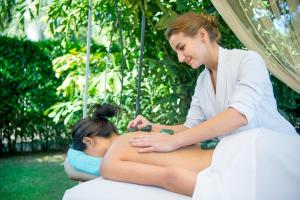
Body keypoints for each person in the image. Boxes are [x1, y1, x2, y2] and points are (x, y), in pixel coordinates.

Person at [128, 12, 297, 153]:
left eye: (181, 47)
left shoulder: (248, 61)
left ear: (203, 35)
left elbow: (238, 116)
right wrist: (153, 126)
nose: (180, 58)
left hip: (278, 152)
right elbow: (190, 128)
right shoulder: (202, 81)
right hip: (240, 155)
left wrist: (174, 142)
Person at [72, 103, 214, 196]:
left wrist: (220, 193)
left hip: (218, 171)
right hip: (225, 152)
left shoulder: (109, 163)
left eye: (87, 154)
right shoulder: (139, 134)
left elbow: (171, 177)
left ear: (88, 141)